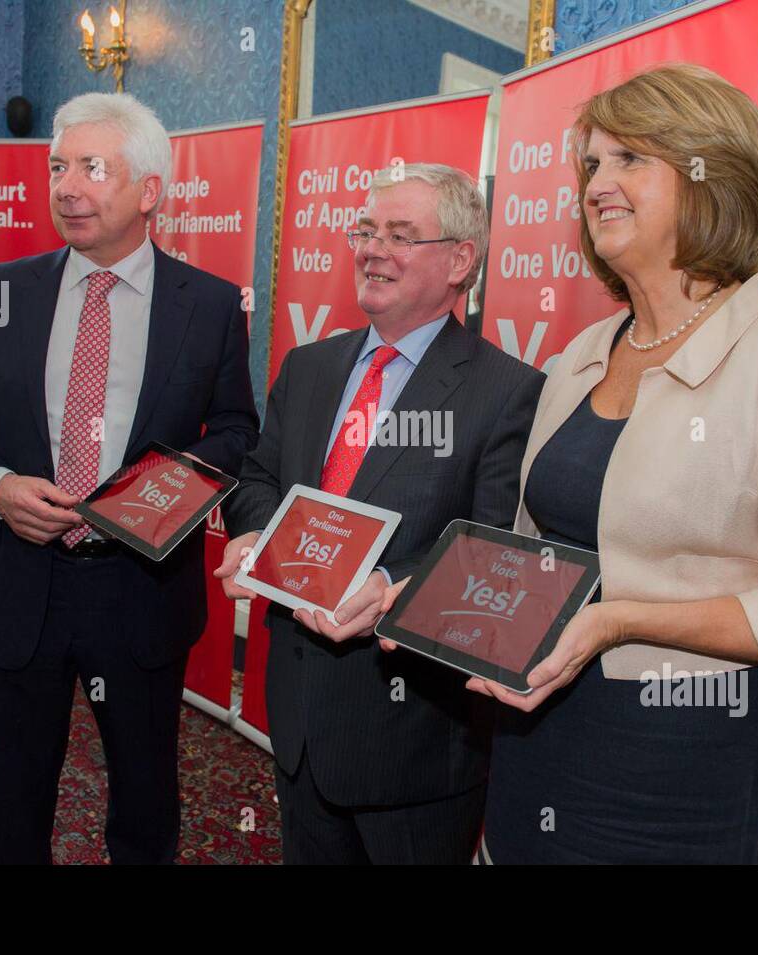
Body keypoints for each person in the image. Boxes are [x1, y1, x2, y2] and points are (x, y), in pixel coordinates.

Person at [383, 64, 758, 864]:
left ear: (711, 177)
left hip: (672, 776)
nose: (597, 184)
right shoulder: (583, 352)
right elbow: (524, 563)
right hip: (532, 738)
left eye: (629, 160)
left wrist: (620, 618)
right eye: (591, 164)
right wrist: (415, 594)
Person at [0, 92, 259, 864]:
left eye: (90, 167)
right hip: (22, 582)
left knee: (146, 803)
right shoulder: (0, 289)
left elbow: (239, 431)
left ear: (149, 191)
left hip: (140, 590)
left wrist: (162, 494)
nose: (66, 186)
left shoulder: (209, 307)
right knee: (14, 803)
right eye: (56, 167)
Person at [216, 163, 544, 864]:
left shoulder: (507, 392)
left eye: (400, 235)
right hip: (300, 716)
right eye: (365, 231)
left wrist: (389, 587)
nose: (371, 250)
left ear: (461, 260)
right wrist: (252, 531)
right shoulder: (308, 366)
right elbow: (259, 475)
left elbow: (492, 552)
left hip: (413, 745)